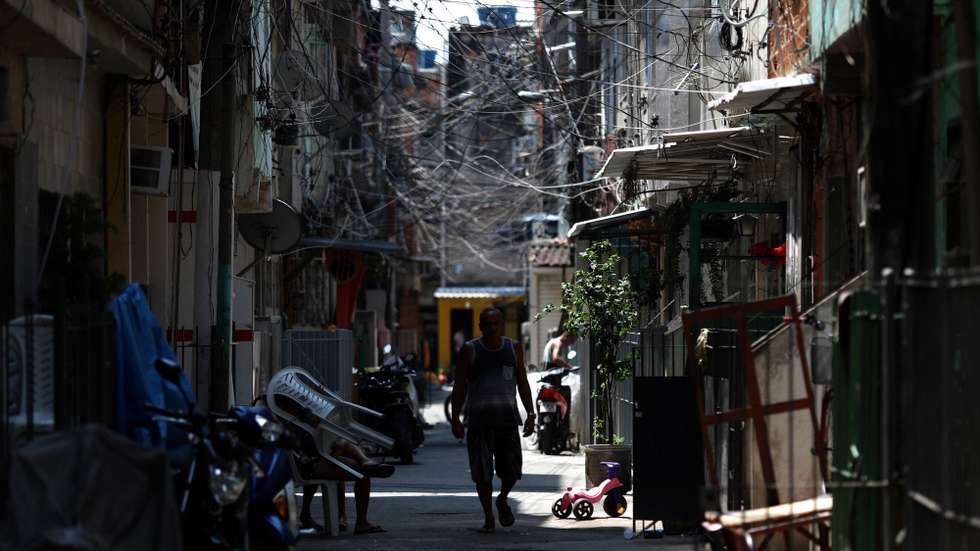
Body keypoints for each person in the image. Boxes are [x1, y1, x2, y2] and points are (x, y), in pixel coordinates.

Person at [451, 307, 535, 534]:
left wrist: (531, 413)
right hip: (478, 421)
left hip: (507, 420)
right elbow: (459, 386)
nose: (491, 328)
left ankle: (503, 499)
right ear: (480, 326)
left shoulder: (514, 348)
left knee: (512, 471)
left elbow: (523, 382)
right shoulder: (470, 350)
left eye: (495, 324)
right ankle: (488, 518)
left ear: (502, 325)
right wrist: (455, 419)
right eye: (486, 324)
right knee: (482, 473)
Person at [269, 393, 394, 535]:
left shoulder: (281, 421)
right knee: (363, 473)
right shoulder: (296, 423)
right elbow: (316, 447)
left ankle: (364, 460)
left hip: (308, 461)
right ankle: (361, 523)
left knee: (341, 442)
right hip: (309, 464)